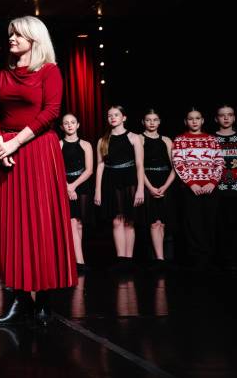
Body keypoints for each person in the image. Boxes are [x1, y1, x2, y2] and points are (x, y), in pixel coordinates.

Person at [0, 16, 77, 326]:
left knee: (41, 222)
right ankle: (20, 300)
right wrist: (0, 145)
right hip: (7, 154)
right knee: (12, 226)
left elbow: (51, 112)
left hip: (38, 151)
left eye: (17, 34)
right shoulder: (1, 76)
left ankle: (45, 301)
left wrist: (15, 143)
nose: (11, 38)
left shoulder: (49, 71)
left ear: (34, 39)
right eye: (10, 34)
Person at [172, 108, 224, 270]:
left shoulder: (212, 140)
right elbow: (178, 163)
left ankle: (209, 258)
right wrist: (191, 183)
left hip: (210, 187)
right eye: (191, 118)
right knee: (192, 223)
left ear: (202, 121)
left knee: (210, 221)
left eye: (197, 118)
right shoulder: (180, 140)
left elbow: (219, 162)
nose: (194, 121)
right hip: (190, 188)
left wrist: (212, 183)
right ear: (186, 122)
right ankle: (196, 258)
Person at [94, 106, 145, 270]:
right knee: (117, 221)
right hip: (111, 180)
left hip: (129, 179)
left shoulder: (134, 137)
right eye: (110, 115)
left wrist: (141, 189)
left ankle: (129, 260)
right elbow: (100, 166)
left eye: (116, 115)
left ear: (124, 117)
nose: (113, 117)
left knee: (129, 221)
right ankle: (121, 259)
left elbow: (140, 165)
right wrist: (97, 191)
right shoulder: (103, 140)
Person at [138, 109, 176, 267]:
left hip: (165, 182)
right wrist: (150, 187)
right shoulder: (139, 139)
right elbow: (139, 167)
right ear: (143, 122)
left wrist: (165, 186)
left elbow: (175, 167)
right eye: (148, 120)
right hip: (148, 181)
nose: (152, 123)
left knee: (163, 222)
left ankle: (162, 257)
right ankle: (159, 259)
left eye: (155, 120)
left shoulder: (166, 140)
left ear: (159, 122)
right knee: (153, 222)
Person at [59, 113, 93, 274]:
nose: (70, 125)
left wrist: (73, 186)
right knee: (72, 222)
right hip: (64, 185)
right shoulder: (58, 144)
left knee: (79, 223)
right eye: (66, 123)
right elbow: (55, 169)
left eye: (72, 122)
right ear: (62, 127)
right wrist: (67, 187)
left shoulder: (86, 145)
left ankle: (73, 259)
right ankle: (79, 262)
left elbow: (89, 170)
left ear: (78, 125)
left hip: (81, 185)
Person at [213, 104, 237, 272]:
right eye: (222, 115)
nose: (226, 118)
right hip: (216, 190)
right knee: (219, 226)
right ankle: (221, 260)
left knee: (235, 225)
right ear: (216, 119)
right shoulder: (211, 139)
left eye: (229, 114)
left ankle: (234, 259)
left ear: (234, 118)